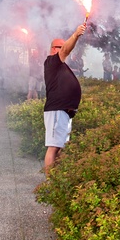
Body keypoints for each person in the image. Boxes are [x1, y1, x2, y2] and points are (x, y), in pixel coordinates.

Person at [43, 24, 87, 173]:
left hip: (65, 112)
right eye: (60, 47)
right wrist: (75, 35)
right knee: (54, 146)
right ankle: (49, 183)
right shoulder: (51, 61)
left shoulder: (61, 65)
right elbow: (66, 49)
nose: (64, 49)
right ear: (53, 49)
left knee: (61, 146)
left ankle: (57, 178)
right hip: (56, 110)